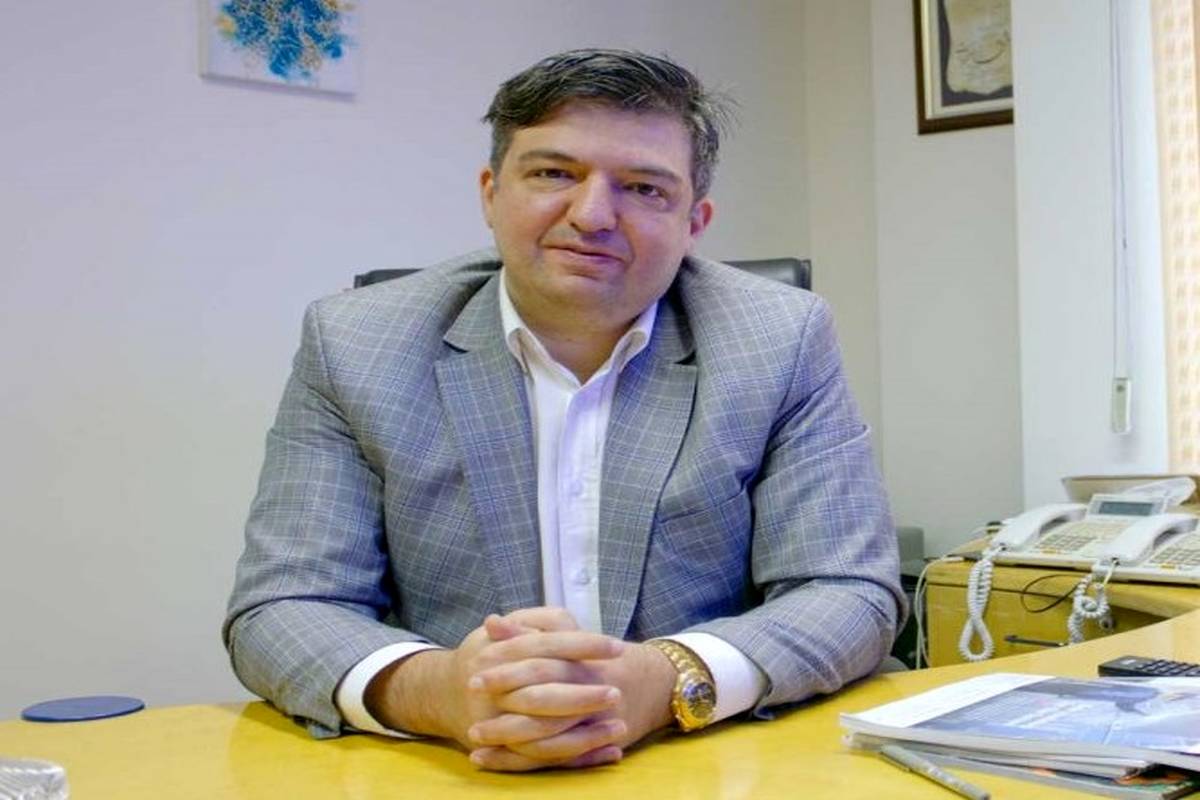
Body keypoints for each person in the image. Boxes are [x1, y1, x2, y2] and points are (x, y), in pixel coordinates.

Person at [224, 48, 905, 773]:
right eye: (554, 174)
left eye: (644, 188)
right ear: (491, 193)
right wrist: (442, 692)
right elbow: (284, 606)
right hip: (455, 770)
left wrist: (668, 680)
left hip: (701, 762)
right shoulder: (356, 343)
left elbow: (848, 591)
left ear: (694, 222)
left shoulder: (779, 339)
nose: (592, 215)